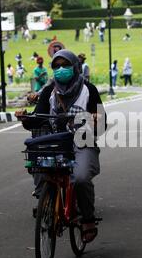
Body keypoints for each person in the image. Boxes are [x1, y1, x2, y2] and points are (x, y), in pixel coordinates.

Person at [18, 50, 106, 243]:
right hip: (55, 143)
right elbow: (39, 119)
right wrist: (26, 119)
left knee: (81, 178)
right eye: (56, 66)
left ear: (74, 67)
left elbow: (102, 121)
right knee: (39, 164)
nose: (60, 70)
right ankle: (47, 200)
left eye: (65, 65)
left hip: (82, 141)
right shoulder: (49, 91)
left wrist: (95, 120)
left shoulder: (89, 90)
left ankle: (87, 219)